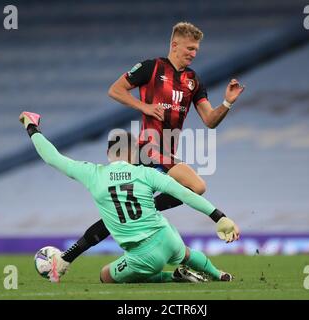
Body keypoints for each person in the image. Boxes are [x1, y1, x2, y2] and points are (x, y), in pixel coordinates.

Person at [57, 22, 245, 274]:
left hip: (167, 153)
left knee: (120, 215)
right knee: (197, 187)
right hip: (150, 149)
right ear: (174, 45)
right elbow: (115, 90)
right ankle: (147, 210)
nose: (193, 53)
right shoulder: (150, 68)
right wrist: (144, 107)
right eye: (190, 48)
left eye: (197, 50)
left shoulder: (193, 81)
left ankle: (69, 255)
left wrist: (227, 103)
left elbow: (210, 121)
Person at [20, 111, 240, 283]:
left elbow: (52, 157)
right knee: (186, 254)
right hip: (168, 238)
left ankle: (172, 277)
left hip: (143, 255)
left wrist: (32, 127)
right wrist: (219, 217)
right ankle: (218, 274)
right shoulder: (146, 173)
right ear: (134, 153)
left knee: (105, 276)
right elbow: (186, 193)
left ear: (108, 153)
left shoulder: (93, 174)